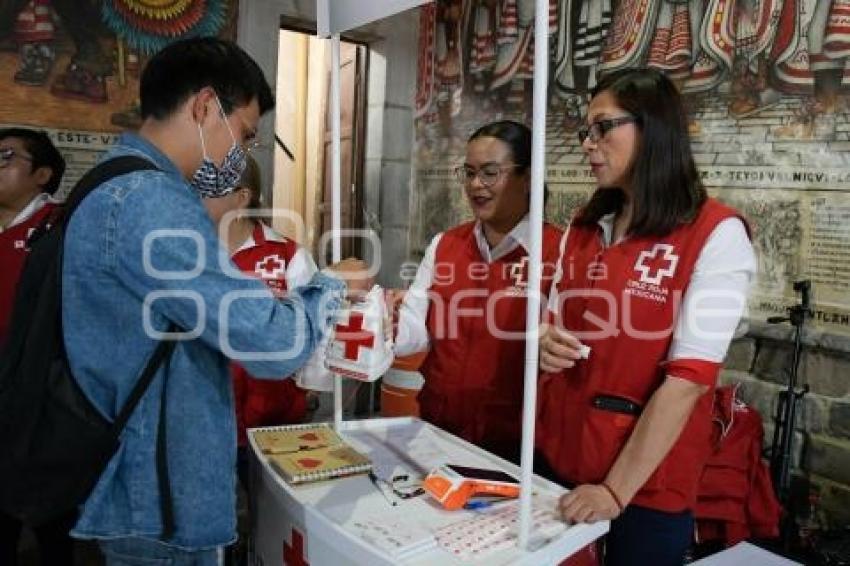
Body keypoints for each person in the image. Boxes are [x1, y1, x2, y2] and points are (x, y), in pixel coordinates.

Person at [61, 37, 369, 564]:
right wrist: (332, 284)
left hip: (140, 478)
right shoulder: (153, 202)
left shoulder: (113, 182)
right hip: (156, 499)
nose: (240, 156)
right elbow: (271, 343)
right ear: (205, 107)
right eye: (244, 135)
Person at [537, 67, 756, 566]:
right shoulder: (586, 224)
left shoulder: (715, 234)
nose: (588, 144)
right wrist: (544, 338)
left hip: (643, 487)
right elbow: (550, 317)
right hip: (558, 455)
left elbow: (689, 382)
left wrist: (614, 492)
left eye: (602, 127)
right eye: (584, 131)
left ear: (652, 128)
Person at [394, 120, 563, 463]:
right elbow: (414, 329)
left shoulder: (559, 252)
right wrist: (382, 321)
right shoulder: (446, 245)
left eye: (490, 173)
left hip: (518, 449)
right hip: (437, 432)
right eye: (468, 173)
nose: (476, 185)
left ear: (528, 177)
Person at [202, 155, 313, 484]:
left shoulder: (287, 256)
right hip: (203, 417)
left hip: (272, 419)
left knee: (270, 516)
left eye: (208, 188)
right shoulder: (189, 254)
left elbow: (310, 331)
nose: (196, 196)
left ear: (241, 197)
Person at [0, 128, 71, 566]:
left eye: (6, 157)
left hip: (41, 398)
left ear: (42, 174)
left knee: (53, 522)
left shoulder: (61, 226)